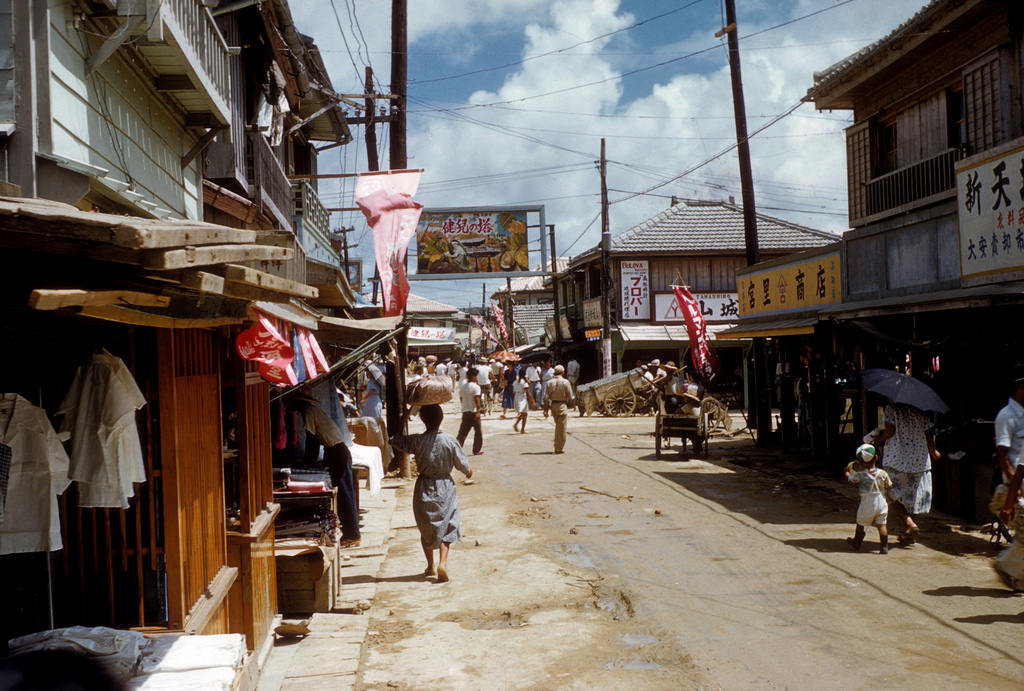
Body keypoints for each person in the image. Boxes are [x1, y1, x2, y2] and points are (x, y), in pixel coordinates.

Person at [390, 404, 473, 582]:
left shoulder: (417, 441)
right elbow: (464, 466)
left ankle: (430, 566)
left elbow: (394, 439)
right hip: (445, 487)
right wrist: (469, 472)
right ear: (441, 418)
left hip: (424, 486)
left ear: (422, 420)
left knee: (426, 527)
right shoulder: (450, 440)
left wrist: (404, 416)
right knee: (449, 524)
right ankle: (443, 562)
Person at [868, 399, 940, 546]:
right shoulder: (920, 410)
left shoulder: (891, 409)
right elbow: (928, 432)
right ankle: (909, 533)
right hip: (919, 459)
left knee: (890, 493)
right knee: (912, 497)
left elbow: (890, 431)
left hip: (897, 459)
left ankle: (909, 524)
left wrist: (878, 439)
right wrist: (933, 451)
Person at [992, 371, 1024, 590]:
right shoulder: (1007, 415)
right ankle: (1006, 566)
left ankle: (1013, 571)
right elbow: (1003, 456)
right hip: (1017, 485)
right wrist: (1015, 490)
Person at [845, 443, 891, 554]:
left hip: (867, 503)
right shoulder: (883, 473)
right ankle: (884, 547)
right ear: (876, 458)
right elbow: (889, 485)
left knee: (860, 524)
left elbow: (850, 479)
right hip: (882, 503)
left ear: (860, 463)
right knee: (882, 525)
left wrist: (846, 472)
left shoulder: (860, 475)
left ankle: (857, 542)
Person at [544, 364, 576, 453]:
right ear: (563, 372)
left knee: (558, 427)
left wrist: (545, 410)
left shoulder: (549, 382)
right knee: (562, 429)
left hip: (553, 406)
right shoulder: (565, 382)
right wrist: (574, 405)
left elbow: (545, 398)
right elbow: (570, 396)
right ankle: (558, 448)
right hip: (562, 405)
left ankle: (556, 444)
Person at [456, 366, 483, 455]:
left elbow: (461, 399)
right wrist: (478, 411)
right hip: (473, 411)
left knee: (462, 433)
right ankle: (477, 449)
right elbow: (477, 400)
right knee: (478, 432)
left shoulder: (463, 387)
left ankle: (456, 450)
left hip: (465, 411)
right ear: (474, 376)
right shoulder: (476, 387)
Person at [512, 369, 536, 433]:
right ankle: (522, 429)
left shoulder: (515, 381)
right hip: (522, 398)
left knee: (524, 414)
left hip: (516, 397)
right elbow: (528, 393)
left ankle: (517, 425)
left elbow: (513, 390)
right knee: (525, 414)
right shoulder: (524, 383)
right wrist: (533, 401)